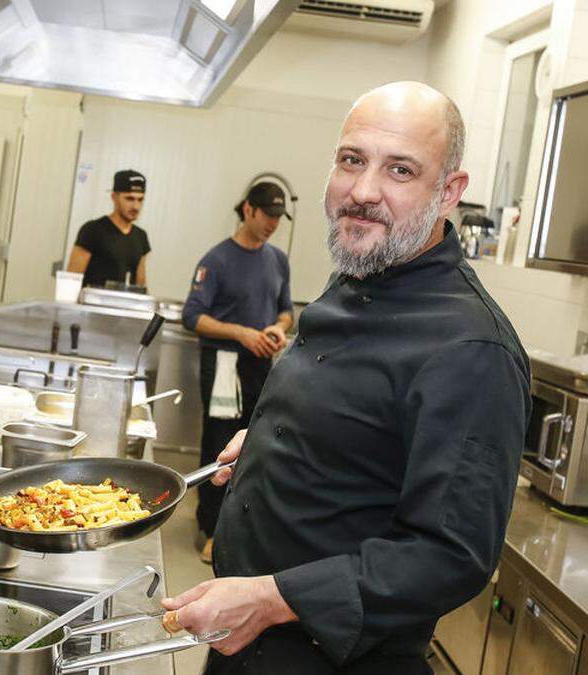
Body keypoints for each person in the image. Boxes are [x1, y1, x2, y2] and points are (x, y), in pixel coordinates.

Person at [161, 81, 530, 674]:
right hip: (242, 639)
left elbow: (451, 554)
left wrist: (272, 598)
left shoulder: (470, 348)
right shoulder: (359, 276)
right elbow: (351, 422)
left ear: (449, 193)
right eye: (352, 160)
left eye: (401, 170)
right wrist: (272, 442)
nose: (362, 192)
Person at [182, 182, 294, 565]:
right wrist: (242, 333)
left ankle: (241, 529)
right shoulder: (217, 260)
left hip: (260, 364)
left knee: (256, 445)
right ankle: (211, 528)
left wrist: (277, 329)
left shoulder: (278, 260)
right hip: (224, 368)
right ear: (248, 210)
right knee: (220, 446)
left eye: (279, 218)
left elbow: (285, 310)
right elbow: (192, 316)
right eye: (267, 215)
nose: (273, 224)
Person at [67, 169, 151, 288]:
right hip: (91, 304)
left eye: (140, 199)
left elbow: (140, 284)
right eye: (129, 199)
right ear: (114, 197)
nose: (136, 206)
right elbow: (71, 279)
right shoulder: (92, 230)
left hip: (124, 305)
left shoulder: (141, 236)